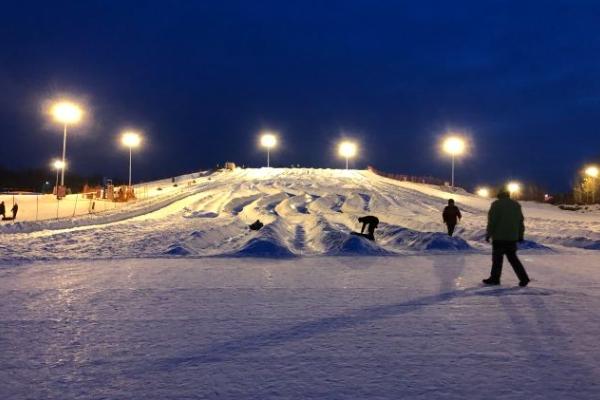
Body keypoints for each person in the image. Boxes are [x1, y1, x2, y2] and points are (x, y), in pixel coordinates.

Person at [483, 190, 530, 287]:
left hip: (499, 237)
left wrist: (489, 234)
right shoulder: (516, 205)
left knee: (497, 259)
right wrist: (520, 235)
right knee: (513, 259)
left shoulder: (496, 204)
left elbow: (492, 221)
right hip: (512, 237)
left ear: (499, 195)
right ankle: (524, 278)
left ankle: (495, 279)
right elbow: (520, 221)